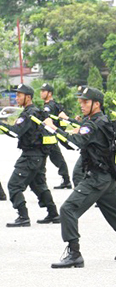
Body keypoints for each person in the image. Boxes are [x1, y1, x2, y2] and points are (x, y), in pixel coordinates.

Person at [47, 86, 116, 268]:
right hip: (106, 178)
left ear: (96, 104)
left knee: (68, 209)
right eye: (81, 101)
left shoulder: (93, 124)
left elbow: (73, 143)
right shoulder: (100, 121)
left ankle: (74, 253)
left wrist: (53, 129)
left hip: (97, 178)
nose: (81, 104)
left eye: (85, 102)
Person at [5, 84, 60, 227]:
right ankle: (53, 214)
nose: (16, 98)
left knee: (14, 185)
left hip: (30, 156)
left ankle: (23, 217)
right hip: (38, 156)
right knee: (39, 185)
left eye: (19, 95)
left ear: (27, 97)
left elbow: (15, 132)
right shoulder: (35, 111)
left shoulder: (28, 113)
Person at [38, 83, 72, 190]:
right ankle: (65, 180)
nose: (41, 93)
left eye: (44, 91)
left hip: (49, 137)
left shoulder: (49, 106)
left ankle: (65, 181)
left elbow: (45, 117)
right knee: (44, 159)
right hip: (49, 137)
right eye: (41, 90)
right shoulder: (56, 105)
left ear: (49, 93)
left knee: (47, 159)